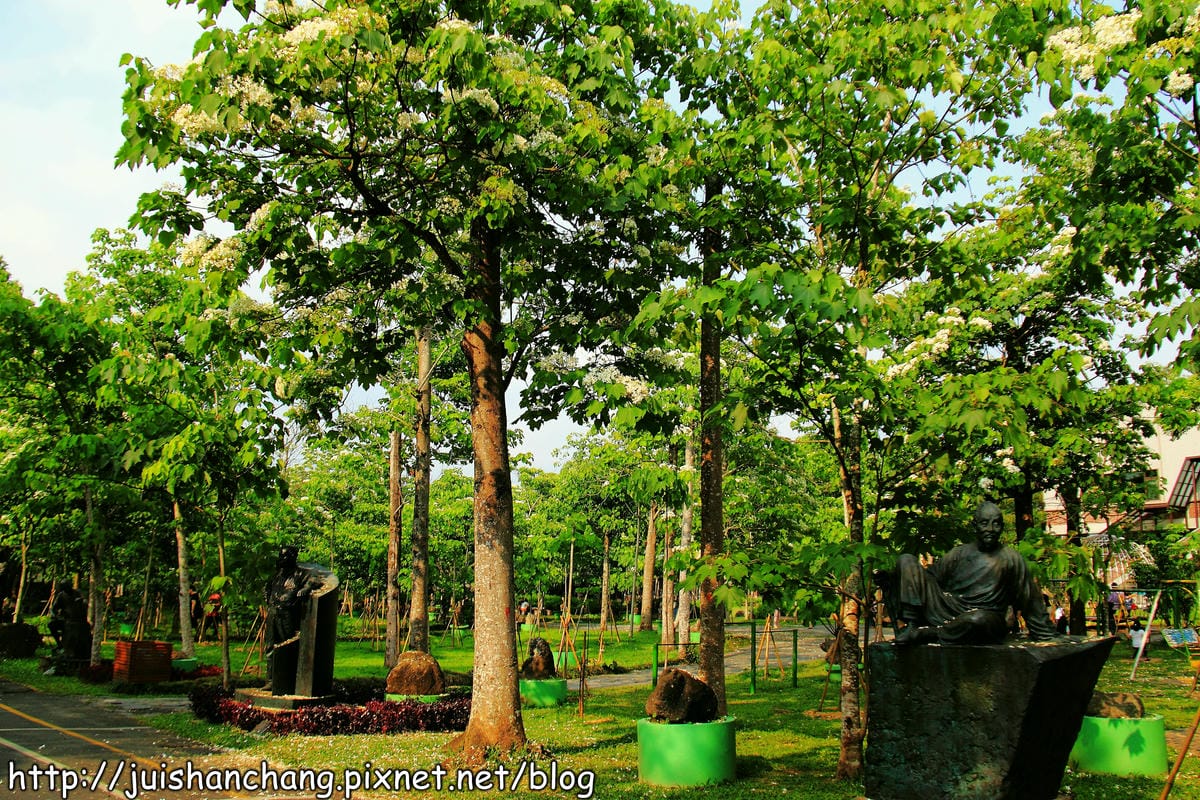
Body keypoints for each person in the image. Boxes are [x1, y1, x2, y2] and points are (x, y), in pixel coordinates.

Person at [890, 501, 1063, 645]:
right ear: (975, 525)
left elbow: (1029, 599)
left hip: (986, 618)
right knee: (906, 559)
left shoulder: (1011, 558)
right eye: (984, 523)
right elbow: (931, 578)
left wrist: (1046, 633)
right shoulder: (959, 553)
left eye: (996, 523)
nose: (990, 528)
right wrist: (892, 579)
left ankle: (931, 634)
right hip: (949, 610)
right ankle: (913, 625)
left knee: (976, 620)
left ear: (1002, 527)